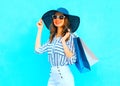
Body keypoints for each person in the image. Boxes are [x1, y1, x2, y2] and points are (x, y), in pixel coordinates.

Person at [35, 7, 80, 86]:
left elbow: (72, 59)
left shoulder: (70, 36)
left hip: (64, 76)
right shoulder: (52, 38)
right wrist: (39, 30)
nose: (57, 19)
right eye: (55, 17)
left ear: (65, 20)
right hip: (52, 75)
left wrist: (63, 41)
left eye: (61, 17)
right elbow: (38, 50)